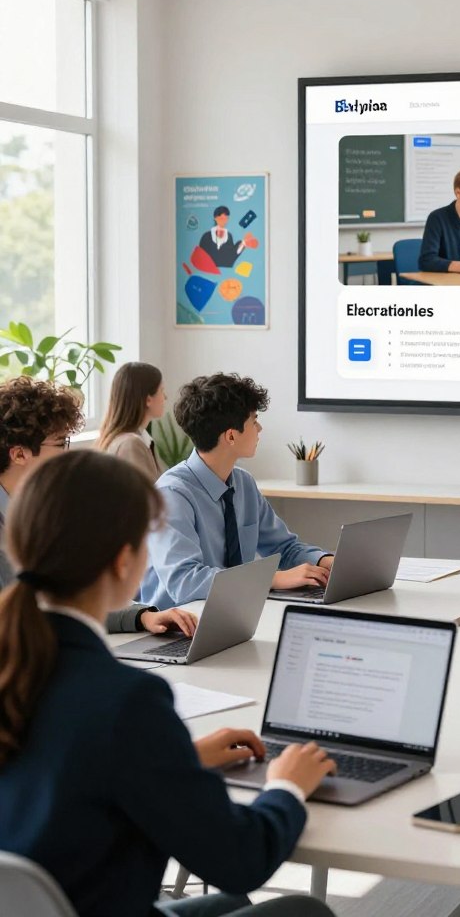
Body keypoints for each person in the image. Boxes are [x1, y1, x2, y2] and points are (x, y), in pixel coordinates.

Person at [0, 451, 336, 917]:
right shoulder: (125, 700)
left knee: (229, 904)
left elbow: (60, 770)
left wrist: (181, 757)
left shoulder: (17, 665)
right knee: (303, 911)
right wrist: (287, 787)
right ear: (124, 562)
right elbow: (240, 860)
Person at [0, 376, 191, 636]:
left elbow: (75, 597)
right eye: (61, 444)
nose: (67, 454)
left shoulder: (48, 510)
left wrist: (142, 616)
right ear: (19, 454)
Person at [140, 373, 335, 608]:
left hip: (233, 611)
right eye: (254, 420)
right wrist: (271, 579)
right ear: (231, 436)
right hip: (178, 624)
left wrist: (325, 561)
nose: (259, 428)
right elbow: (185, 581)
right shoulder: (171, 495)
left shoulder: (243, 484)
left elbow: (283, 548)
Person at [97, 361, 167, 480]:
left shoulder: (136, 439)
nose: (165, 397)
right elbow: (145, 496)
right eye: (161, 390)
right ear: (148, 399)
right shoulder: (130, 444)